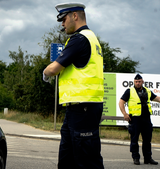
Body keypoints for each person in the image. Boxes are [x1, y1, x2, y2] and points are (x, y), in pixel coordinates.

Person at [43, 2, 104, 169]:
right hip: (79, 109)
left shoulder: (79, 39)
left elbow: (54, 68)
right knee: (67, 160)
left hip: (83, 109)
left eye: (63, 19)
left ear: (75, 16)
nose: (62, 24)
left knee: (87, 162)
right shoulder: (92, 39)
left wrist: (45, 72)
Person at [118, 74, 160, 165]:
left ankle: (148, 158)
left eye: (139, 81)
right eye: (136, 82)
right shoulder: (129, 91)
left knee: (147, 140)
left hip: (146, 119)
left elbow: (158, 98)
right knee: (134, 140)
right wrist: (124, 114)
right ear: (134, 82)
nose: (138, 83)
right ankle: (136, 158)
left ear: (142, 82)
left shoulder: (147, 91)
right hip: (135, 119)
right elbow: (121, 102)